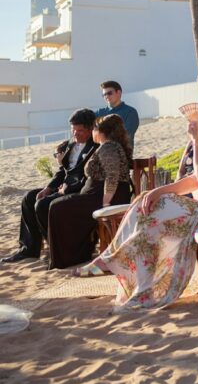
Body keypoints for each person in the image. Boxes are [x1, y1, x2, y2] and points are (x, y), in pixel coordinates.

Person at [72, 91, 198, 314]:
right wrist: (158, 190)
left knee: (156, 210)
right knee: (146, 202)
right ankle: (115, 263)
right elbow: (196, 180)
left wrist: (196, 142)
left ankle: (121, 268)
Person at [2, 109, 99, 264]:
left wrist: (63, 187)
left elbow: (85, 176)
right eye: (73, 130)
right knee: (29, 198)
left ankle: (56, 248)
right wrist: (48, 188)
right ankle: (29, 250)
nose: (75, 134)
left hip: (79, 192)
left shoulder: (96, 147)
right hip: (63, 187)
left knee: (42, 204)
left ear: (90, 129)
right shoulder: (69, 145)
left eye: (80, 130)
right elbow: (61, 171)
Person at [47, 115, 133, 269]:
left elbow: (112, 176)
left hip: (102, 196)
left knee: (57, 207)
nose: (93, 131)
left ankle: (72, 257)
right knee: (58, 205)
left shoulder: (109, 147)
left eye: (94, 128)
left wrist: (106, 203)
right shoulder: (107, 146)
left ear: (101, 131)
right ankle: (75, 254)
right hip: (95, 195)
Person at [95, 81, 140, 146]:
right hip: (101, 152)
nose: (106, 96)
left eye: (109, 93)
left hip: (120, 153)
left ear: (118, 93)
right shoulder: (99, 112)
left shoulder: (130, 112)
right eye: (104, 95)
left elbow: (126, 136)